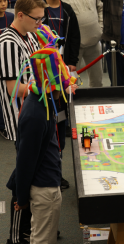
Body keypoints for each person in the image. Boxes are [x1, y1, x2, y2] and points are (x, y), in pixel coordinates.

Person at [7, 47, 77, 244]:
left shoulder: (43, 100)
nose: (66, 88)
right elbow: (25, 161)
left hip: (47, 182)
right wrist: (21, 198)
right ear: (53, 85)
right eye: (63, 84)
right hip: (44, 188)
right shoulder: (36, 114)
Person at [0, 0, 44, 244]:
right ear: (20, 15)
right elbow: (12, 88)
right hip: (21, 120)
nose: (40, 23)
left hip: (37, 115)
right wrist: (45, 86)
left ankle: (35, 226)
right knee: (23, 180)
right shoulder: (8, 42)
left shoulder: (30, 36)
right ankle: (16, 236)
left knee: (35, 176)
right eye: (36, 19)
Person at [42, 0, 81, 190]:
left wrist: (72, 62)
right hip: (45, 74)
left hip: (64, 72)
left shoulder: (67, 10)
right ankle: (48, 170)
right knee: (47, 121)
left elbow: (75, 36)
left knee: (60, 120)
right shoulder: (40, 11)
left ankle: (58, 168)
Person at [56, 0, 104, 88]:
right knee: (71, 83)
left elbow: (101, 7)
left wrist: (100, 29)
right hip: (72, 48)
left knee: (97, 81)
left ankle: (96, 105)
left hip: (94, 43)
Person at [0, 0, 13, 139]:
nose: (3, 4)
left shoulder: (11, 16)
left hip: (8, 60)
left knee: (8, 93)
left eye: (4, 0)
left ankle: (7, 124)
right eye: (0, 1)